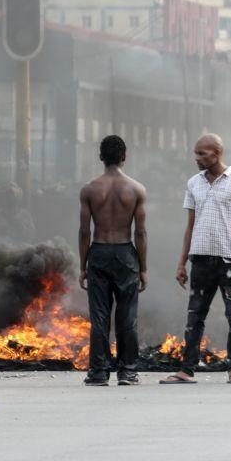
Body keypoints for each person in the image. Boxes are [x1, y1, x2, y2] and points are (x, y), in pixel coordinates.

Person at [160, 133, 231, 385]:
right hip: (200, 260)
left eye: (202, 153)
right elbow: (190, 226)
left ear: (217, 153)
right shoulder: (194, 184)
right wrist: (182, 262)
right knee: (195, 316)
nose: (196, 158)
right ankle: (186, 370)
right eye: (196, 153)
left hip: (228, 261)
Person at [78, 135, 147, 386]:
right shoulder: (136, 189)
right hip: (126, 254)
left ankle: (98, 372)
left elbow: (84, 231)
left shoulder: (89, 189)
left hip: (99, 252)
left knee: (99, 317)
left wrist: (83, 265)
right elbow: (140, 232)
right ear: (124, 156)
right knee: (127, 316)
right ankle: (128, 372)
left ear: (100, 157)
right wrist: (144, 268)